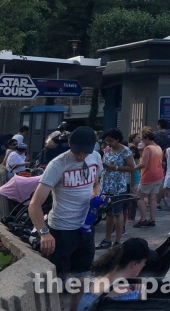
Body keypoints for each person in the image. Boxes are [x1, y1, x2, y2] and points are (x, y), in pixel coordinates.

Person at [28, 126, 102, 311]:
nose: (81, 156)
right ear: (69, 144)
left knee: (83, 275)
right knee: (58, 280)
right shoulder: (57, 164)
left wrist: (96, 195)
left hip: (86, 227)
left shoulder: (95, 157)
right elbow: (34, 204)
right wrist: (44, 232)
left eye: (85, 152)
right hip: (61, 230)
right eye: (77, 152)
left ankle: (75, 308)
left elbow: (96, 184)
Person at [75, 238, 158, 311]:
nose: (144, 265)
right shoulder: (130, 297)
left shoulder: (92, 283)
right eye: (144, 262)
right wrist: (141, 295)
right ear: (134, 264)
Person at [96, 128, 134, 248]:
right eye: (107, 141)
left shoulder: (125, 151)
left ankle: (118, 240)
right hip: (106, 185)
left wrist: (115, 167)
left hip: (118, 186)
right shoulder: (108, 149)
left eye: (111, 141)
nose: (109, 143)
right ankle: (107, 238)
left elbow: (131, 167)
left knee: (118, 213)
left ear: (117, 139)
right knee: (109, 213)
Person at [133, 127, 163, 228]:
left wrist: (133, 168)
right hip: (159, 175)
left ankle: (143, 219)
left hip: (148, 176)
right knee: (152, 198)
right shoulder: (158, 147)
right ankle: (152, 219)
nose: (142, 141)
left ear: (147, 138)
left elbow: (143, 164)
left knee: (139, 197)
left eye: (142, 139)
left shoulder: (148, 148)